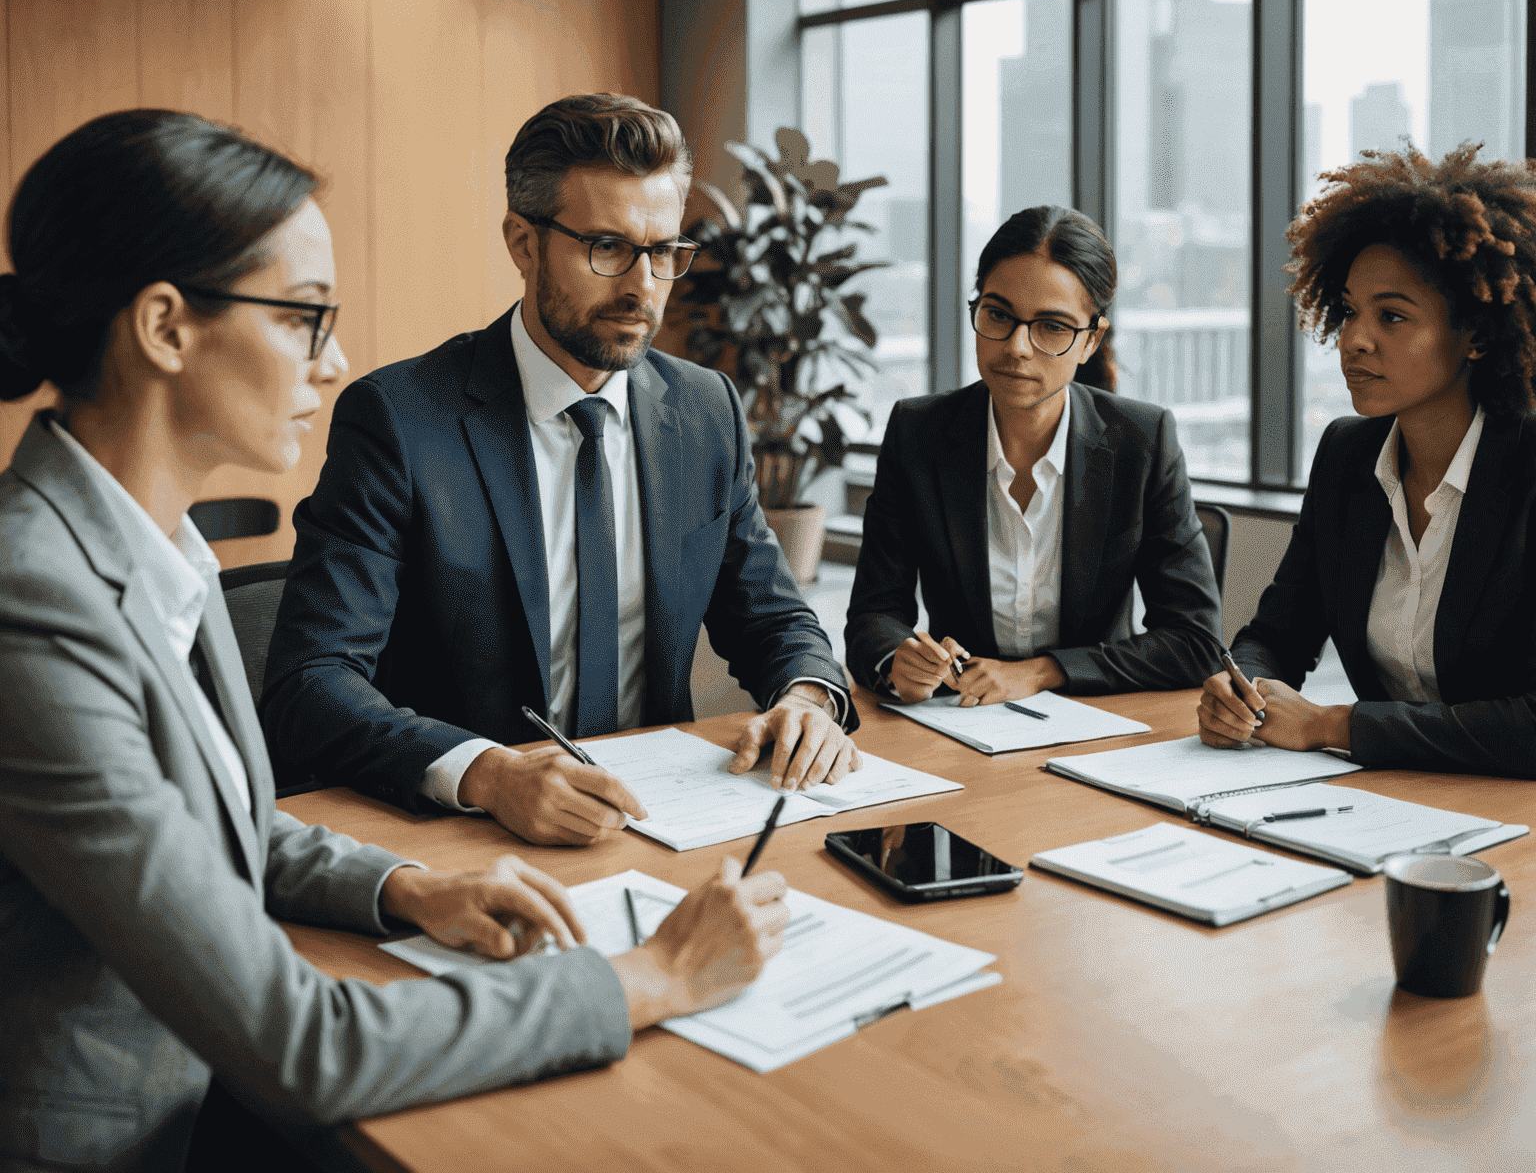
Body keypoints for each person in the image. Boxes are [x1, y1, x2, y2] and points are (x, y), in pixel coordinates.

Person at [0, 109, 791, 1173]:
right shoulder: (32, 603)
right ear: (166, 327)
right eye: (303, 320)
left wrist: (404, 886)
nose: (335, 365)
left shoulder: (158, 552)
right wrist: (650, 981)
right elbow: (300, 1044)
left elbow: (213, 824)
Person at [262, 93, 860, 843]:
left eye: (665, 252)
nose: (643, 287)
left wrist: (807, 699)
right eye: (607, 248)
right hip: (468, 835)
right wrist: (488, 774)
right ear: (523, 243)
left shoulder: (706, 411)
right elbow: (309, 685)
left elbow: (773, 617)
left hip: (663, 825)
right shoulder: (399, 420)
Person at [1198, 144, 1536, 777]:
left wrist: (1334, 724)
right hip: (1376, 803)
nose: (1355, 338)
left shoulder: (1527, 469)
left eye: (1393, 316)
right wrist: (1242, 687)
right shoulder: (1347, 455)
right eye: (1350, 311)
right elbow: (1277, 633)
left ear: (1479, 335)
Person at [845, 204, 1224, 705]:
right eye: (998, 314)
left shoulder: (1142, 440)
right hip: (960, 718)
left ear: (1091, 340)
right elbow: (873, 615)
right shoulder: (919, 433)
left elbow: (1195, 642)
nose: (1018, 347)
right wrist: (898, 660)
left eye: (1052, 327)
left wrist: (1043, 673)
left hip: (1098, 720)